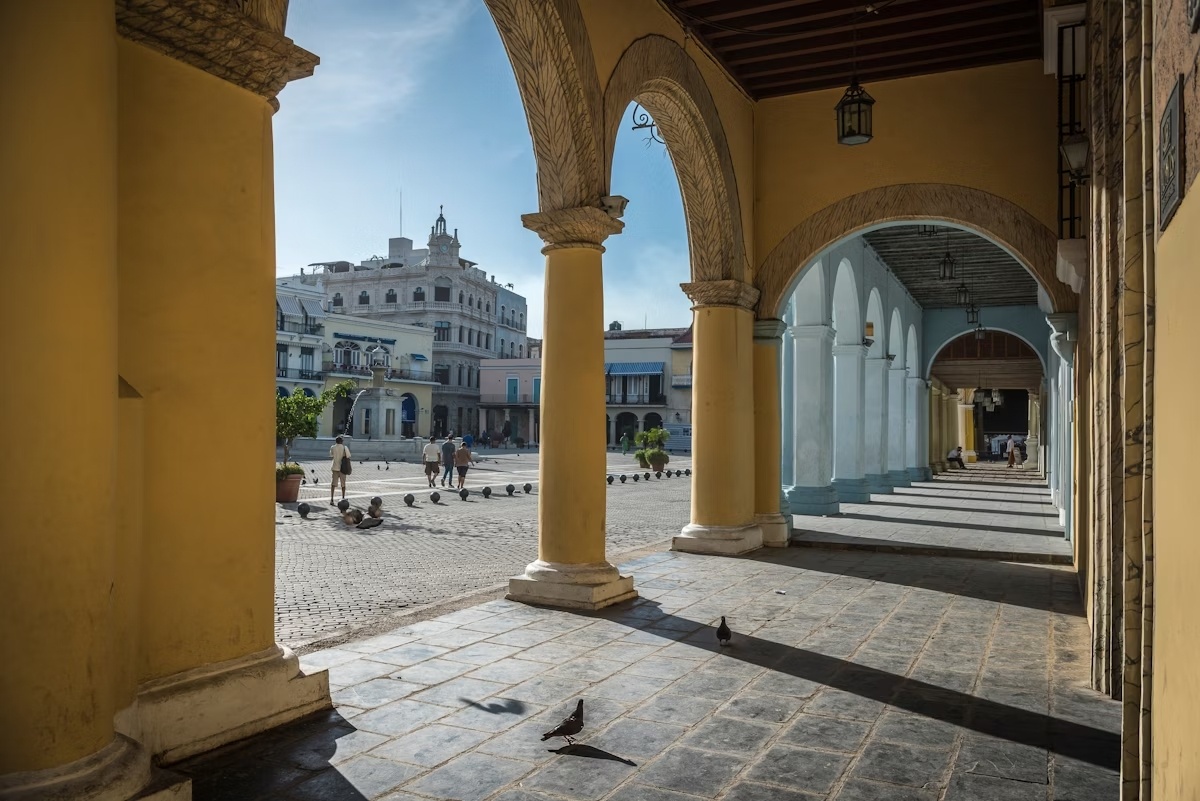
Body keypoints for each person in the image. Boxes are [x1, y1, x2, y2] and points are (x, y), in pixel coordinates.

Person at [329, 435, 351, 504]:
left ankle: (332, 499)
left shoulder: (332, 447)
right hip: (342, 468)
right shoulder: (344, 447)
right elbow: (348, 456)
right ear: (342, 441)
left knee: (333, 484)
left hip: (335, 467)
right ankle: (343, 497)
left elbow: (331, 455)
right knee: (343, 484)